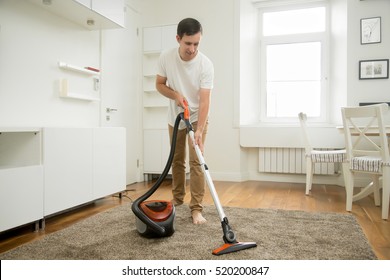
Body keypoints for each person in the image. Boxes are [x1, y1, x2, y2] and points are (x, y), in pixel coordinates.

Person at [155, 18, 214, 224]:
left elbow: (205, 100)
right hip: (176, 117)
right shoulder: (166, 57)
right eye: (188, 43)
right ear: (178, 39)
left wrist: (199, 131)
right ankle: (178, 200)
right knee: (177, 160)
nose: (192, 49)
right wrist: (175, 95)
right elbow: (160, 84)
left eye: (196, 44)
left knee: (197, 161)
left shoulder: (205, 64)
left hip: (198, 117)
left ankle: (196, 209)